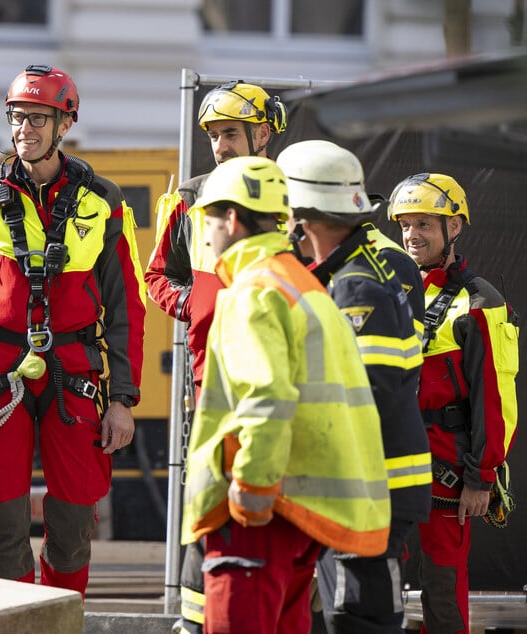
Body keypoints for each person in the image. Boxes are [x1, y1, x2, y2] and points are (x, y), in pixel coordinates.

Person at [0, 64, 146, 597]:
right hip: (0, 370)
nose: (25, 128)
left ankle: (62, 622)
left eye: (38, 118)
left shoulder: (106, 200)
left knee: (72, 530)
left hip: (75, 374)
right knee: (5, 526)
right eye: (17, 117)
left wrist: (123, 399)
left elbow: (127, 309)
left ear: (64, 122)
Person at [180, 155, 391, 634]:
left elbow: (265, 399)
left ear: (231, 219)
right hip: (298, 513)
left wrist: (251, 488)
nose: (206, 236)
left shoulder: (252, 291)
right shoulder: (304, 285)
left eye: (207, 221)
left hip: (258, 512)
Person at [144, 81, 286, 633]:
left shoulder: (295, 196)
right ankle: (196, 623)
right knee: (207, 508)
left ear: (263, 134)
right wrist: (199, 305)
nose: (221, 146)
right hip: (209, 386)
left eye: (230, 134)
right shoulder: (188, 199)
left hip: (280, 382)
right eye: (214, 136)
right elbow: (158, 275)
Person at [277, 140, 432, 633]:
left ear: (305, 217)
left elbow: (367, 393)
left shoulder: (356, 284)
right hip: (363, 480)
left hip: (369, 485)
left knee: (358, 618)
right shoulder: (353, 270)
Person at [388, 173, 519, 634]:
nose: (411, 235)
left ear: (455, 227)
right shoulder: (385, 289)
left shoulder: (480, 301)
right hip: (385, 458)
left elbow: (495, 399)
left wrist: (481, 477)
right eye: (405, 224)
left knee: (442, 587)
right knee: (373, 579)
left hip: (446, 462)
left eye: (424, 223)